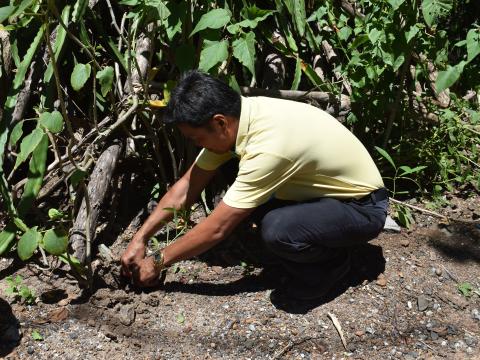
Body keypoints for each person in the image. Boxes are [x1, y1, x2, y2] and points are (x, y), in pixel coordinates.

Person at [120, 70, 388, 300]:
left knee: (278, 230)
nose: (196, 145)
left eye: (196, 138)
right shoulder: (241, 117)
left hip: (363, 208)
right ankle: (317, 242)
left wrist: (158, 261)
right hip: (323, 195)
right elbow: (188, 186)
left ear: (219, 123)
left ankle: (334, 264)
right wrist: (140, 238)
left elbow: (217, 229)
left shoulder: (268, 145)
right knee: (253, 207)